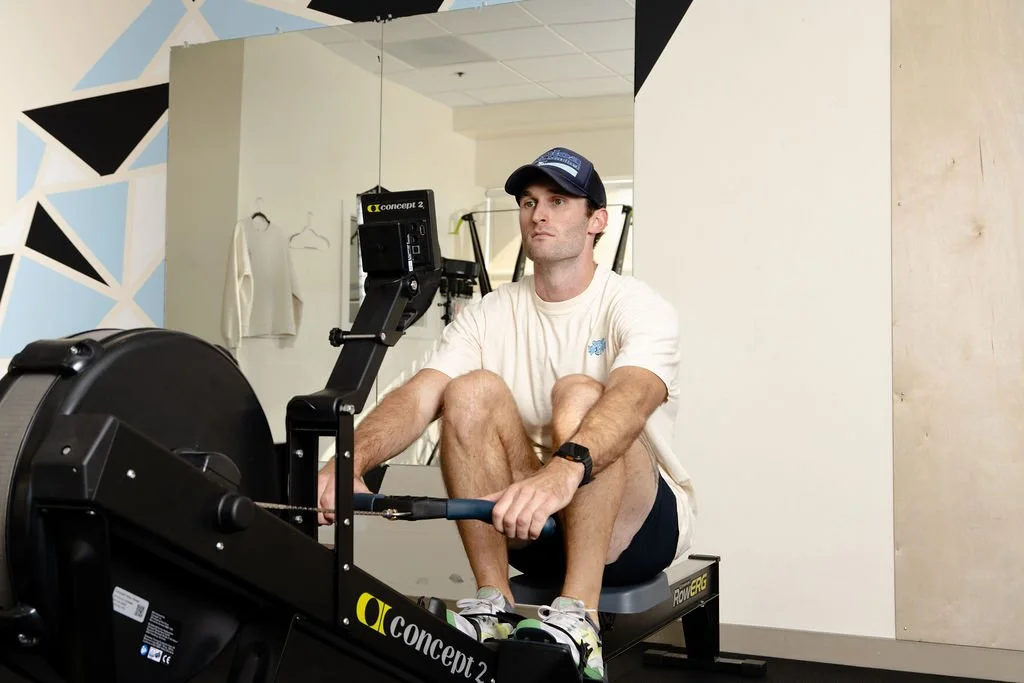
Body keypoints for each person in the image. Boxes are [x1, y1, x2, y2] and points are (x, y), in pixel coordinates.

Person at [317, 147, 696, 682]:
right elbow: (421, 394)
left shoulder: (637, 305)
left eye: (558, 201)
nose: (538, 214)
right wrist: (348, 460)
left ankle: (580, 619)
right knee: (468, 391)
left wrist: (562, 473)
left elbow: (634, 396)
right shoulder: (490, 313)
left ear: (597, 221)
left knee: (580, 394)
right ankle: (493, 603)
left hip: (633, 533)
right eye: (528, 202)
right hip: (532, 530)